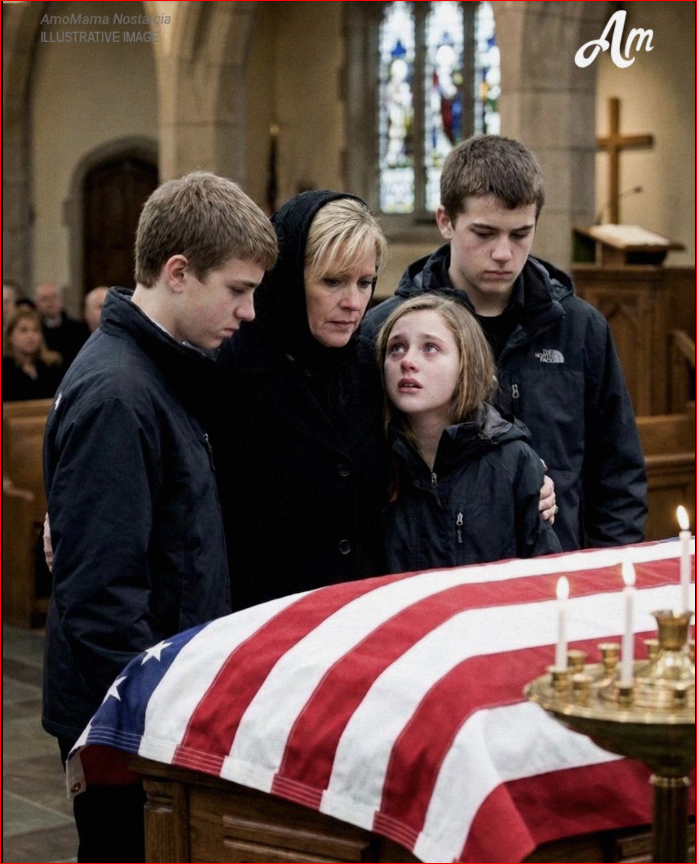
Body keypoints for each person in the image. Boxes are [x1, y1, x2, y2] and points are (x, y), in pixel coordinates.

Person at [42, 171, 277, 863]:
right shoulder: (119, 394)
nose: (249, 312)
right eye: (237, 290)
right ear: (178, 273)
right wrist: (159, 723)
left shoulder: (161, 370)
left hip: (155, 703)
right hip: (129, 722)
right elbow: (101, 597)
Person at [363, 134, 647, 551]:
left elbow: (618, 474)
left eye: (519, 234)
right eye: (484, 233)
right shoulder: (388, 332)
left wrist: (604, 573)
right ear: (445, 221)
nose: (503, 253)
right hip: (430, 567)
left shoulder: (580, 328)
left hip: (556, 567)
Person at [211, 191, 390, 610]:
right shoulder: (228, 371)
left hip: (362, 615)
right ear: (289, 279)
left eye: (365, 283)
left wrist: (526, 477)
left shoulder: (374, 367)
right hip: (263, 618)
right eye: (332, 282)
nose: (353, 303)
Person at [377, 295, 561, 572]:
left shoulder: (513, 461)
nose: (407, 361)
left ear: (466, 363)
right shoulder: (370, 457)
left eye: (430, 348)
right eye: (396, 348)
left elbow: (546, 572)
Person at [2, 306, 64, 401]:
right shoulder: (4, 370)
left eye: (35, 330)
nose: (31, 336)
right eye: (24, 330)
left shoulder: (52, 367)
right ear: (10, 336)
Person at [34, 281, 89, 368]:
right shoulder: (35, 330)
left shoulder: (78, 329)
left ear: (61, 300)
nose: (50, 302)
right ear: (37, 304)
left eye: (54, 297)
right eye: (44, 298)